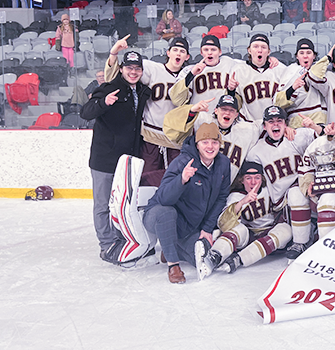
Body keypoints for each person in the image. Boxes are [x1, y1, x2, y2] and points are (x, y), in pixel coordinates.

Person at [80, 51, 149, 263]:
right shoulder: (109, 88)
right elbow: (86, 112)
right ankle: (106, 244)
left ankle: (121, 240)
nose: (133, 72)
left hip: (126, 161)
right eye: (129, 68)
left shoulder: (143, 91)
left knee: (122, 205)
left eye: (137, 69)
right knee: (102, 205)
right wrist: (104, 103)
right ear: (121, 69)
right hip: (104, 159)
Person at [142, 123, 232, 284]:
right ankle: (173, 265)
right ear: (197, 144)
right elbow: (163, 199)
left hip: (189, 226)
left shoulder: (223, 164)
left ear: (220, 144)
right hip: (158, 217)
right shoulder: (183, 161)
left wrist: (207, 228)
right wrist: (181, 179)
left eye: (214, 142)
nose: (210, 146)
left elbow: (221, 197)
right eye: (205, 142)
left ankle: (171, 247)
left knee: (201, 258)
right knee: (166, 212)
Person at [106, 36, 191, 186]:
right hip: (151, 139)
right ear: (168, 52)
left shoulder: (191, 76)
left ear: (187, 56)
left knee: (176, 182)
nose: (178, 53)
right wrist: (114, 53)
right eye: (175, 50)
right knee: (146, 182)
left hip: (176, 141)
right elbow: (119, 77)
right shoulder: (152, 68)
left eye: (182, 51)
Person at [245, 105, 323, 260]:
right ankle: (306, 234)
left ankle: (301, 242)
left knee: (297, 193)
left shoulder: (296, 136)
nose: (275, 124)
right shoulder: (255, 152)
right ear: (264, 126)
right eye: (271, 121)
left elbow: (325, 135)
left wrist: (313, 125)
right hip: (281, 207)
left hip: (305, 193)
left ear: (285, 123)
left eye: (279, 121)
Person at [195, 161, 294, 279]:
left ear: (262, 179)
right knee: (239, 229)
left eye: (257, 178)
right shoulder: (236, 196)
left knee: (286, 229)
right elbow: (223, 223)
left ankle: (239, 260)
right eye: (248, 178)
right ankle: (214, 257)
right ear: (241, 180)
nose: (253, 182)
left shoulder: (269, 191)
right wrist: (243, 202)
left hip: (271, 235)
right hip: (249, 236)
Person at [170, 35, 238, 115]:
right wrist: (191, 74)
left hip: (224, 119)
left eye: (213, 49)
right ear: (201, 52)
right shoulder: (189, 70)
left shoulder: (231, 64)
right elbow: (176, 100)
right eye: (206, 50)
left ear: (220, 52)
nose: (209, 52)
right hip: (200, 119)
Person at [228, 34, 288, 122]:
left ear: (268, 52)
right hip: (248, 124)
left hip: (275, 124)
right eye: (255, 47)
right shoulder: (238, 70)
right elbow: (235, 103)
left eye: (263, 47)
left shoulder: (280, 69)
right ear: (249, 50)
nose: (259, 50)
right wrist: (231, 90)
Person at [275, 38, 327, 127]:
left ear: (314, 56)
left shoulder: (323, 70)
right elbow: (278, 102)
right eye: (301, 53)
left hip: (318, 121)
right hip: (296, 123)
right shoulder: (289, 71)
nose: (305, 56)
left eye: (309, 53)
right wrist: (293, 88)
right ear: (297, 56)